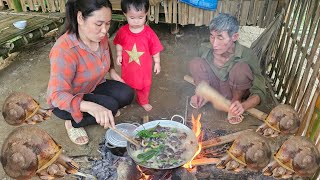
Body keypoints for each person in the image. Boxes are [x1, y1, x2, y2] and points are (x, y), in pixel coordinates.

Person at [47, 0, 134, 145]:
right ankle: (72, 123)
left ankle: (98, 108)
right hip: (66, 100)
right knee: (111, 107)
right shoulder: (64, 50)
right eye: (99, 24)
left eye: (108, 23)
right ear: (80, 18)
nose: (105, 30)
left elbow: (107, 52)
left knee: (127, 94)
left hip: (92, 86)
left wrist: (112, 70)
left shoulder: (101, 36)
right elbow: (56, 96)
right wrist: (92, 107)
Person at [189, 13, 266, 124]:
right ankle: (204, 96)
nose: (214, 44)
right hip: (213, 89)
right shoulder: (205, 49)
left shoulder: (247, 55)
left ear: (234, 37)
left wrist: (243, 106)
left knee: (241, 69)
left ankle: (235, 102)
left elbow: (259, 91)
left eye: (220, 37)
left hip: (234, 92)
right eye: (212, 36)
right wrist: (201, 89)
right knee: (196, 63)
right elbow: (197, 71)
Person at [113, 0, 164, 111]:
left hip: (144, 70)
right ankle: (126, 99)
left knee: (144, 86)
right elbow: (119, 43)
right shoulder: (122, 31)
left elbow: (155, 49)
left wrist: (157, 63)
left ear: (146, 13)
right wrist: (118, 55)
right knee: (126, 84)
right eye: (132, 18)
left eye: (140, 18)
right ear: (125, 14)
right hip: (128, 68)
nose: (136, 21)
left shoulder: (149, 33)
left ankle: (143, 101)